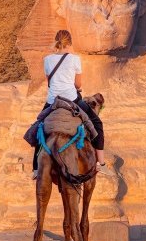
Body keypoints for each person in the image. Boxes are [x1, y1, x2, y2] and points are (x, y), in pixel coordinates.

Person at [32, 29, 105, 179]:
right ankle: (101, 164)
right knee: (97, 123)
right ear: (70, 43)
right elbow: (78, 84)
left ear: (56, 42)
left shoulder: (47, 60)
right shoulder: (75, 59)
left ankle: (35, 169)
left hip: (53, 100)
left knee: (39, 126)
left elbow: (49, 83)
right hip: (72, 99)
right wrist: (75, 87)